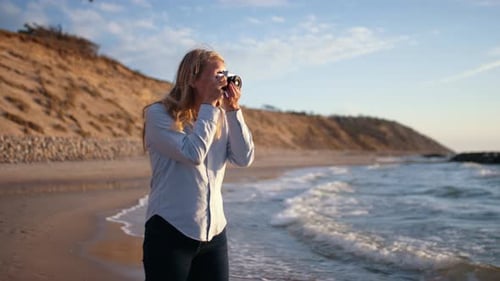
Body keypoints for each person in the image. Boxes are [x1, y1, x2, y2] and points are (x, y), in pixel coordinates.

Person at [142, 48, 255, 281]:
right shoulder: (159, 114)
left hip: (214, 235)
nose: (224, 81)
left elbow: (243, 158)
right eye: (217, 75)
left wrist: (233, 110)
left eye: (226, 74)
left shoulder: (219, 115)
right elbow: (193, 154)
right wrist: (208, 106)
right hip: (170, 232)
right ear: (192, 79)